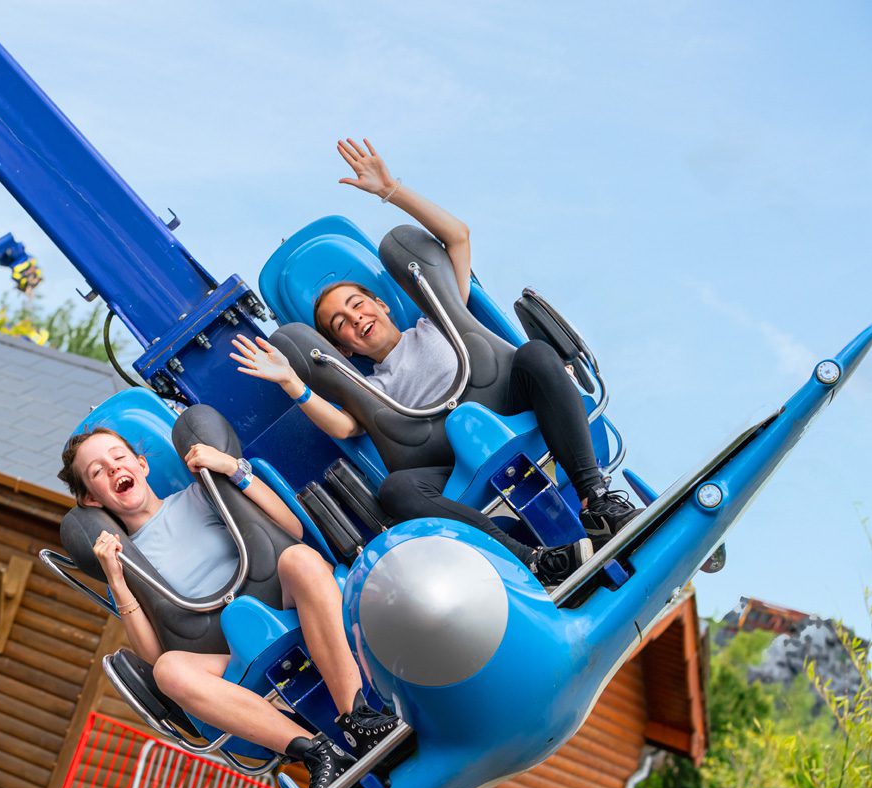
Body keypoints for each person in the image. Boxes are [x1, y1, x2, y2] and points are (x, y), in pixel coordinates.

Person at [231, 138, 639, 585]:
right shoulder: (373, 388)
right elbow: (345, 427)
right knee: (395, 490)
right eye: (340, 323)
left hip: (500, 406)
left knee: (537, 356)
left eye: (357, 304)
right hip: (443, 452)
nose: (356, 319)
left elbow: (458, 236)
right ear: (343, 348)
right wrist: (293, 383)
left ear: (382, 305)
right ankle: (538, 563)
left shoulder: (439, 317)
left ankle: (597, 500)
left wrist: (391, 191)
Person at [57, 429, 398, 788]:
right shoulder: (123, 563)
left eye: (118, 457)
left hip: (278, 607)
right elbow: (155, 657)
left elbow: (291, 528)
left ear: (141, 464)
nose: (112, 469)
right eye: (97, 471)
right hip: (225, 651)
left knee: (300, 558)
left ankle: (357, 717)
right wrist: (116, 580)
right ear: (92, 499)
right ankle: (317, 754)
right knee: (169, 671)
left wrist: (234, 470)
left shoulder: (200, 493)